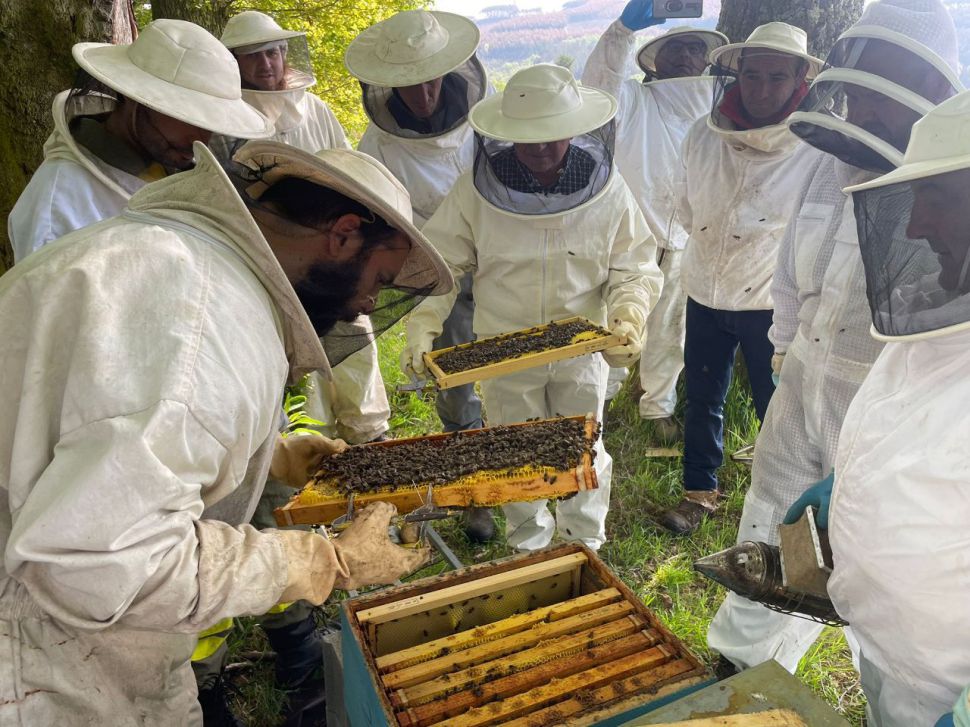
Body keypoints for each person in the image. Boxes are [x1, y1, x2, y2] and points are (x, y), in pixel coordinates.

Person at [0, 138, 451, 725]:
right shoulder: (203, 329)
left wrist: (272, 455)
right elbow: (98, 565)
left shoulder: (166, 258)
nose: (365, 305)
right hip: (38, 658)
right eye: (379, 277)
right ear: (342, 235)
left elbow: (94, 423)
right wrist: (322, 561)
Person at [707, 0, 961, 674]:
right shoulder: (831, 160)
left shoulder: (952, 180)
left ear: (931, 86)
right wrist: (785, 349)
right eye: (863, 82)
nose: (868, 106)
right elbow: (793, 271)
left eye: (886, 85)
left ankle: (858, 669)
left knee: (862, 556)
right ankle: (740, 662)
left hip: (879, 402)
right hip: (804, 377)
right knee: (770, 520)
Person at [401, 63, 661, 552]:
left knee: (581, 447)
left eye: (553, 136)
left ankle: (584, 546)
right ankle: (529, 547)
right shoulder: (475, 193)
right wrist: (424, 325)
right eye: (529, 138)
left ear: (574, 130)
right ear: (507, 134)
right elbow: (438, 265)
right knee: (514, 453)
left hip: (581, 347)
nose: (541, 148)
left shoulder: (610, 191)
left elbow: (634, 265)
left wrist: (629, 314)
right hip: (503, 348)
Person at [784, 89, 970, 726]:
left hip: (947, 682)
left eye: (937, 198)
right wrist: (857, 486)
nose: (915, 226)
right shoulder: (937, 307)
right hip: (890, 642)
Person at [659, 23, 823, 535]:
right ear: (736, 74)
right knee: (703, 395)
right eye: (753, 75)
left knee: (776, 404)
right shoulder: (702, 134)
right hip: (705, 287)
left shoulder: (816, 147)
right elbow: (686, 207)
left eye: (777, 77)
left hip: (773, 302)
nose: (762, 89)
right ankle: (698, 491)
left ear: (800, 78)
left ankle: (782, 510)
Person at [346, 9, 496, 541]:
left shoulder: (485, 117)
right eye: (410, 84)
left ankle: (527, 481)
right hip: (437, 269)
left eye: (431, 79)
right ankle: (477, 489)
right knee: (456, 374)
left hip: (502, 257)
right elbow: (374, 211)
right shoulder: (380, 143)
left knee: (517, 367)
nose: (424, 93)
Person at [7, 19, 273, 263]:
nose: (200, 139)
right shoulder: (60, 202)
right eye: (188, 117)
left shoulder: (164, 162)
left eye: (210, 123)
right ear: (137, 98)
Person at [582, 0, 727, 440]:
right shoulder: (633, 100)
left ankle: (657, 408)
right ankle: (597, 404)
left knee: (670, 329)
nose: (685, 56)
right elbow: (597, 87)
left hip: (690, 239)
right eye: (675, 48)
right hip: (630, 238)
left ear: (707, 62)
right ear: (655, 62)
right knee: (613, 322)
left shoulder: (719, 110)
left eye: (694, 49)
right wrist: (622, 31)